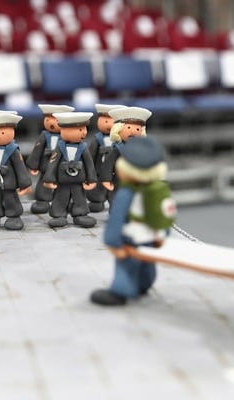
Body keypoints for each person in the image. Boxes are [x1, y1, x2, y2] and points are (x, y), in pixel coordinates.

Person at [90, 136, 176, 306]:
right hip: (152, 235)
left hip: (132, 237)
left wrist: (113, 242)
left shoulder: (126, 193)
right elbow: (167, 213)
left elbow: (117, 218)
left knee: (127, 264)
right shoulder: (159, 189)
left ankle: (121, 291)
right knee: (147, 261)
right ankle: (145, 283)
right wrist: (163, 235)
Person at [42, 111, 98, 228]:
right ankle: (59, 215)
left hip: (78, 180)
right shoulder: (60, 147)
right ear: (64, 131)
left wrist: (91, 179)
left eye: (84, 129)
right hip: (62, 180)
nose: (84, 132)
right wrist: (49, 178)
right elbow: (53, 162)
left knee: (80, 198)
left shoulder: (83, 147)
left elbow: (89, 164)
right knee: (60, 197)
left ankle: (80, 214)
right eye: (80, 130)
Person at [26, 104, 74, 214]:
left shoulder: (67, 136)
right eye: (48, 119)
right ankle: (43, 201)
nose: (52, 123)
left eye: (56, 120)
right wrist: (34, 165)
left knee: (63, 184)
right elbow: (37, 150)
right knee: (44, 183)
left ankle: (63, 202)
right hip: (46, 165)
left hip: (61, 166)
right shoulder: (44, 135)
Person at [99, 106, 152, 200]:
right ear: (118, 130)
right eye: (128, 127)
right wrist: (107, 179)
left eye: (137, 129)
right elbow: (108, 164)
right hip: (120, 179)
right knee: (118, 197)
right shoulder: (117, 149)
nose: (133, 132)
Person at [86, 104, 125, 212]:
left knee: (116, 191)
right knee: (98, 190)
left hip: (116, 173)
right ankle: (97, 201)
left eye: (112, 121)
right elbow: (90, 156)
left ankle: (115, 206)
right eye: (105, 121)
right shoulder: (97, 139)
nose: (109, 125)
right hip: (99, 171)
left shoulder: (121, 142)